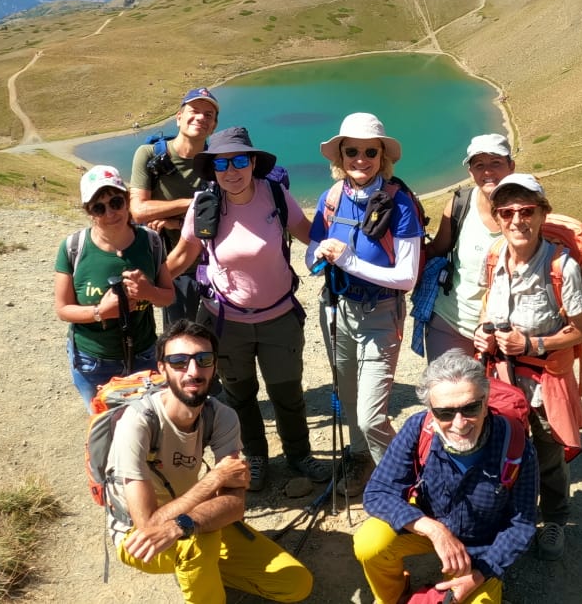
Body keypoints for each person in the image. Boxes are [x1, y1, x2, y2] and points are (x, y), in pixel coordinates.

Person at [164, 126, 330, 491]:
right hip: (225, 322)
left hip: (279, 317)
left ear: (253, 162)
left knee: (287, 392)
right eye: (221, 163)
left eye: (240, 160)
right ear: (212, 169)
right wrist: (146, 287)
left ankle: (298, 454)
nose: (231, 170)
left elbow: (309, 233)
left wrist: (345, 250)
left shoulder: (274, 194)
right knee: (240, 396)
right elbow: (181, 256)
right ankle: (254, 457)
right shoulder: (203, 205)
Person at [107, 319, 312, 604]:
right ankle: (195, 565)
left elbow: (234, 505)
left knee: (294, 583)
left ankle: (198, 568)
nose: (193, 371)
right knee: (198, 544)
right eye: (179, 361)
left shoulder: (221, 416)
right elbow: (147, 525)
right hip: (137, 539)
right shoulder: (138, 422)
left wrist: (183, 524)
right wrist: (214, 480)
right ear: (162, 368)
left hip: (189, 517)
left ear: (214, 365)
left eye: (203, 359)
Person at [354, 350, 538, 604]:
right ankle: (392, 597)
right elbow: (378, 492)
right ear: (430, 411)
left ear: (485, 402)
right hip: (429, 526)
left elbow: (522, 525)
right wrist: (434, 530)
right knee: (369, 544)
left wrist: (480, 573)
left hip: (483, 547)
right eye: (445, 413)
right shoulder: (418, 430)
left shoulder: (515, 446)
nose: (460, 423)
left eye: (471, 408)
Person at [472, 173, 582, 562]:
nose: (517, 220)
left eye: (526, 210)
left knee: (548, 451)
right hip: (500, 378)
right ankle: (513, 513)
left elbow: (581, 330)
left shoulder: (561, 267)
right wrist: (482, 335)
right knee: (503, 447)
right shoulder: (493, 257)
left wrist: (532, 343)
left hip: (542, 380)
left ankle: (555, 516)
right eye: (507, 212)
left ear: (542, 214)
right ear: (498, 218)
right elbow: (487, 308)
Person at [306, 112, 425, 496]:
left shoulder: (400, 202)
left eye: (369, 152)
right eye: (351, 151)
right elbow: (310, 255)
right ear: (339, 156)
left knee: (372, 416)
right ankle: (361, 462)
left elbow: (406, 277)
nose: (360, 159)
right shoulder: (333, 198)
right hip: (336, 309)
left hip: (380, 314)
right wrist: (321, 255)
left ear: (381, 156)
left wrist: (348, 261)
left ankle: (407, 483)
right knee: (349, 395)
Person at [54, 165, 174, 407]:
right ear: (89, 211)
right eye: (99, 207)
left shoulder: (151, 242)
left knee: (147, 429)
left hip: (144, 356)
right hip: (93, 361)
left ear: (127, 200)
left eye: (116, 202)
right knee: (105, 429)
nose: (110, 213)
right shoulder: (73, 247)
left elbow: (169, 297)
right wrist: (101, 311)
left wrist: (148, 292)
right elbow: (63, 309)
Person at [418, 134, 515, 361]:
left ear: (511, 166)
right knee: (448, 393)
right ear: (470, 172)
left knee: (499, 396)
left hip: (506, 332)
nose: (487, 172)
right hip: (452, 321)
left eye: (496, 163)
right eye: (479, 165)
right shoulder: (460, 204)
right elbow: (437, 248)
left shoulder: (526, 210)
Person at [130, 87, 220, 328]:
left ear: (213, 126)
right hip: (171, 266)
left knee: (219, 343)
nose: (201, 118)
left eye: (209, 115)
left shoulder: (219, 163)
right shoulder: (149, 154)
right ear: (178, 117)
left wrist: (175, 222)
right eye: (194, 111)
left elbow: (224, 216)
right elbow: (138, 211)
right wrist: (190, 204)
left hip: (214, 266)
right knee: (180, 338)